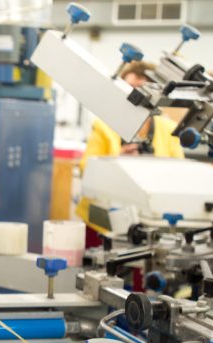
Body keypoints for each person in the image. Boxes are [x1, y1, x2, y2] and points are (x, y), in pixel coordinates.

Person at [77, 61, 185, 227]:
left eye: (140, 89)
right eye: (128, 88)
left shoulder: (168, 128)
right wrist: (116, 161)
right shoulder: (104, 126)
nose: (134, 96)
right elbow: (86, 168)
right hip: (103, 218)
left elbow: (180, 173)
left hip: (150, 217)